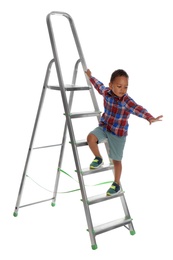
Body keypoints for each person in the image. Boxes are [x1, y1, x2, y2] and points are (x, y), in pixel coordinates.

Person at [85, 68, 163, 196]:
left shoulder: (126, 101)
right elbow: (99, 86)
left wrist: (149, 117)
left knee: (116, 160)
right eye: (119, 86)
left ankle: (116, 183)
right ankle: (98, 157)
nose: (122, 90)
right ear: (111, 85)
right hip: (105, 127)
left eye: (125, 87)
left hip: (118, 134)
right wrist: (90, 77)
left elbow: (138, 108)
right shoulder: (106, 92)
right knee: (90, 138)